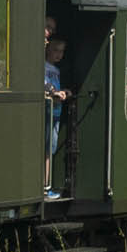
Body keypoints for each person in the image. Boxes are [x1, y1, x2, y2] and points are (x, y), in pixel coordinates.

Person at [42, 29, 71, 196]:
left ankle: (46, 186)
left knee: (49, 151)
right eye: (55, 50)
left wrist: (63, 91)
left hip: (56, 113)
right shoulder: (43, 67)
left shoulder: (56, 70)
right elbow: (45, 84)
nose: (59, 54)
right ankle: (45, 188)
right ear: (47, 49)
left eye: (62, 51)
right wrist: (54, 93)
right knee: (45, 151)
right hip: (47, 112)